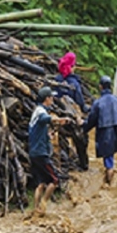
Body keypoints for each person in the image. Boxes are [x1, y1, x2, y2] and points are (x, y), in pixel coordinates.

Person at [28, 86, 71, 216]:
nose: (52, 99)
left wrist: (48, 136)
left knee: (40, 183)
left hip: (34, 152)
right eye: (51, 97)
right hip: (41, 153)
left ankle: (35, 208)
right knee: (54, 180)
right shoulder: (41, 111)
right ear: (47, 99)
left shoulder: (36, 112)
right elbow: (45, 119)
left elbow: (37, 131)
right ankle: (43, 204)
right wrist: (61, 119)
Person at [82, 76, 117, 187]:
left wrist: (84, 127)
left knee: (109, 161)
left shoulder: (98, 103)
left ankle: (109, 186)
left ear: (100, 87)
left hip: (105, 133)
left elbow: (92, 120)